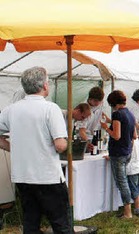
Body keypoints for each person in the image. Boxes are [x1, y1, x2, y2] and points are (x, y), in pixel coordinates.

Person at [0, 67, 71, 232]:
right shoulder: (51, 108)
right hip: (48, 177)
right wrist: (67, 143)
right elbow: (60, 145)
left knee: (30, 223)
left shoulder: (12, 109)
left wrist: (13, 148)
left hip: (23, 176)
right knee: (61, 224)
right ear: (45, 86)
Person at [100, 90, 137, 219]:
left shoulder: (117, 115)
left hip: (118, 153)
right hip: (127, 152)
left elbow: (116, 135)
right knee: (124, 181)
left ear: (113, 103)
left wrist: (105, 127)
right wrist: (110, 121)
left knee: (122, 183)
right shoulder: (130, 114)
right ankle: (127, 209)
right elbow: (134, 135)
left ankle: (128, 212)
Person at [79, 87, 107, 152]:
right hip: (84, 139)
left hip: (95, 136)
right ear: (90, 99)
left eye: (100, 101)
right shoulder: (83, 108)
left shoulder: (100, 103)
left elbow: (101, 114)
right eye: (95, 101)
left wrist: (111, 121)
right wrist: (87, 143)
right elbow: (81, 131)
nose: (98, 103)